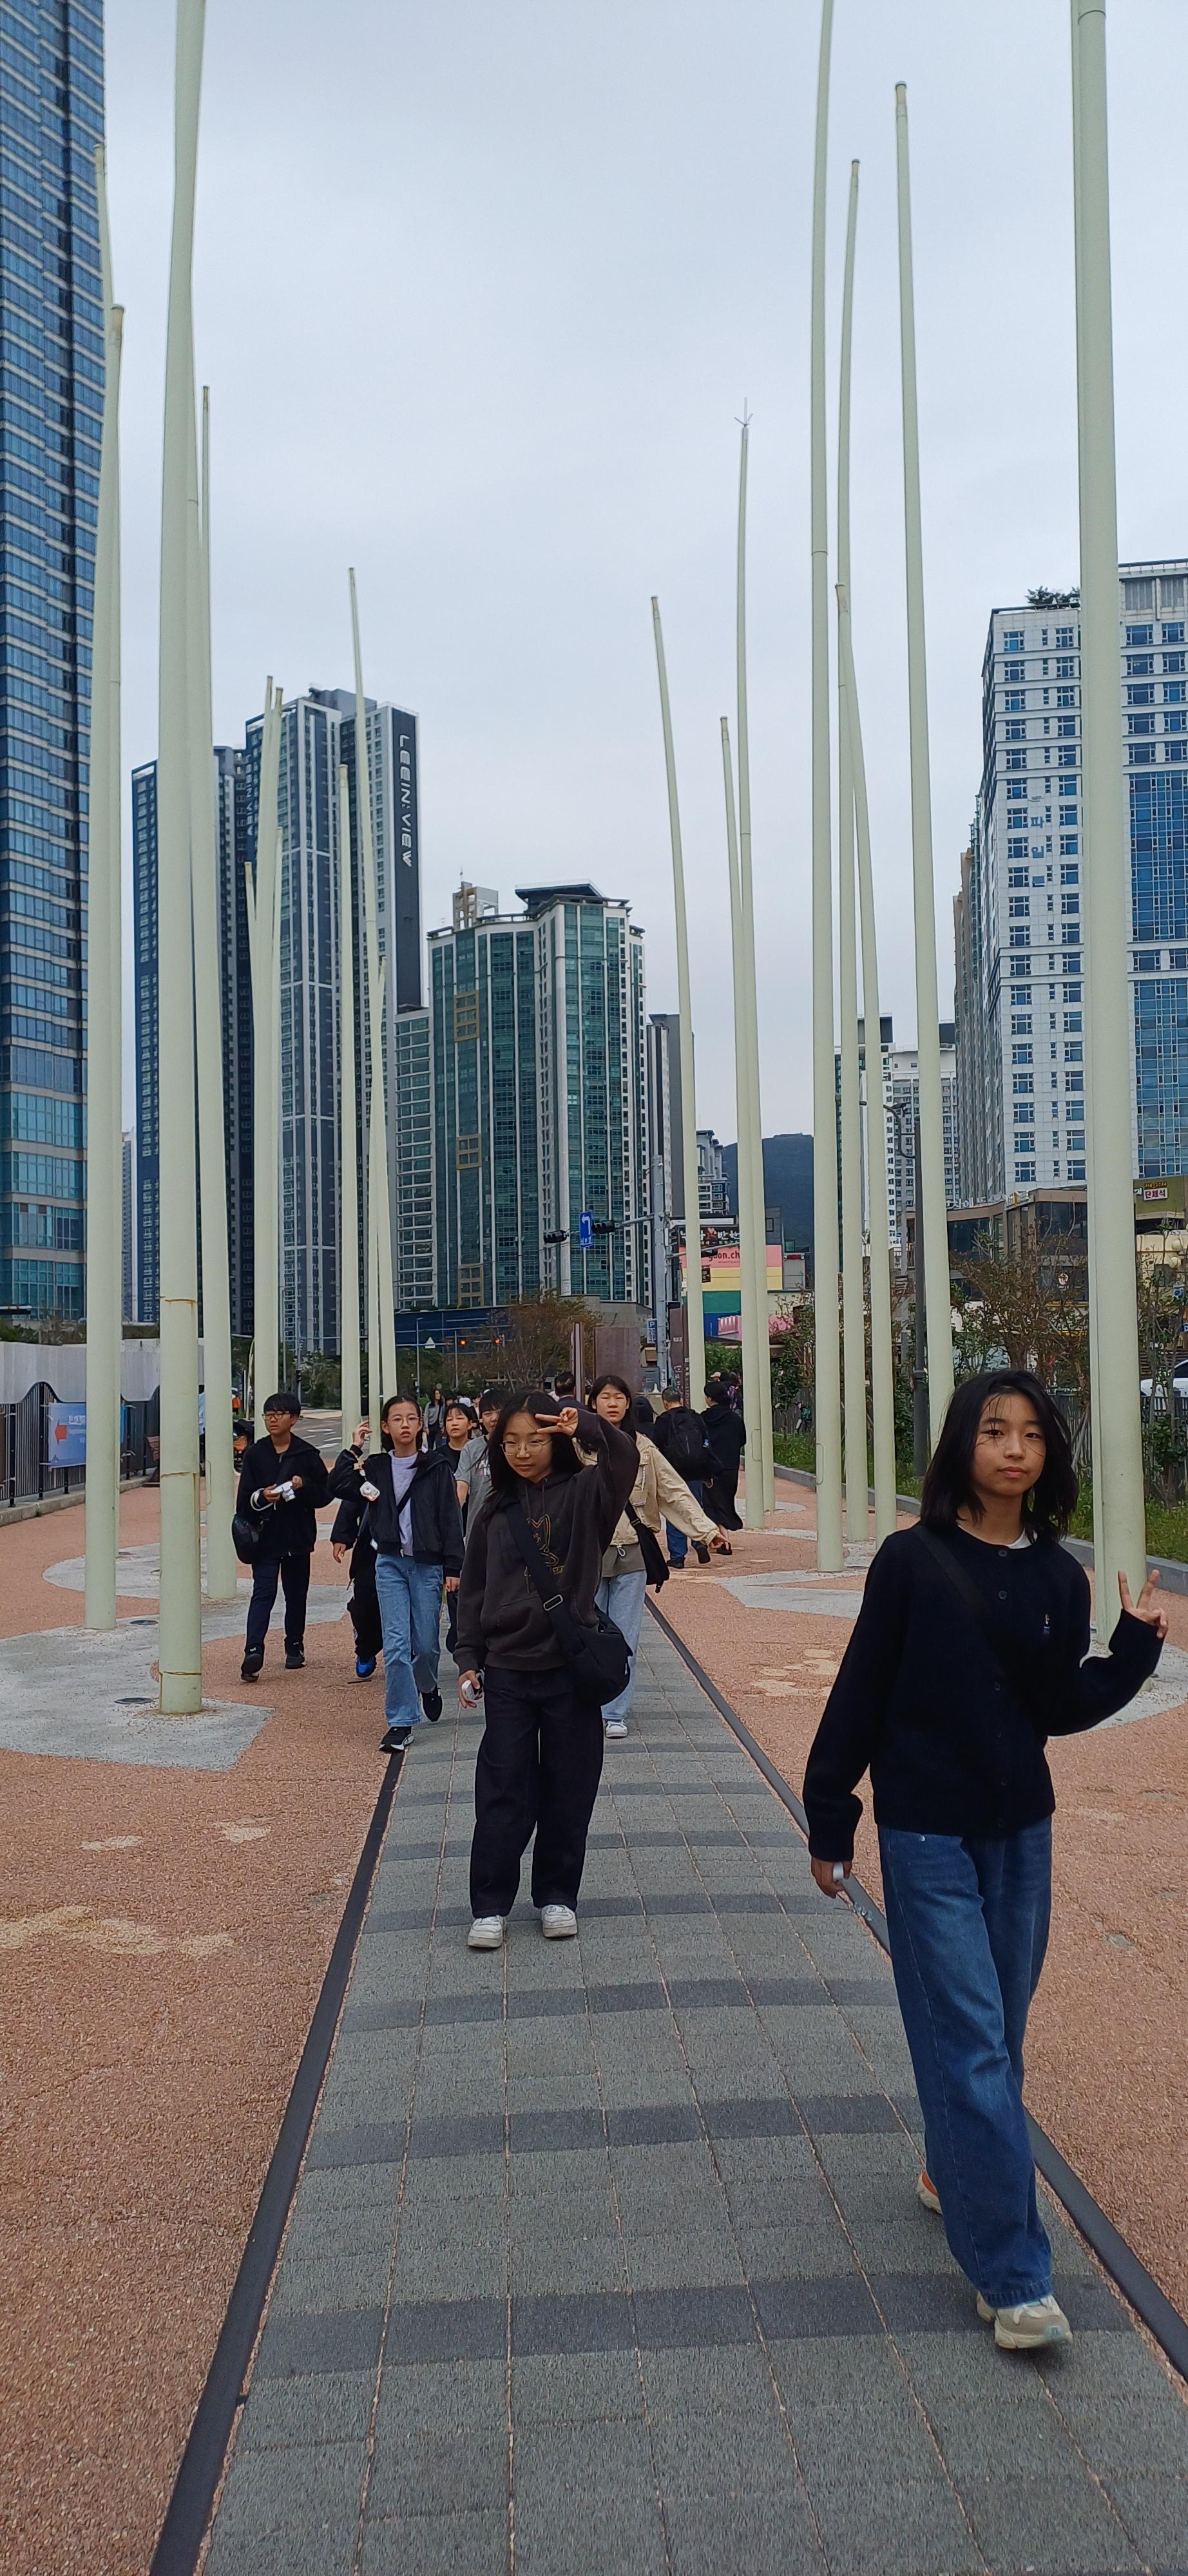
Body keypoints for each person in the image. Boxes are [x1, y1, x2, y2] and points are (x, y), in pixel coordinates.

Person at [803, 1369, 1166, 2354]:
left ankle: (950, 2167)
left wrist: (1132, 1655)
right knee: (972, 2042)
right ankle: (1013, 2277)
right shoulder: (911, 1561)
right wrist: (831, 1816)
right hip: (926, 1832)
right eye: (996, 1430)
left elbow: (1054, 1708)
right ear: (963, 1442)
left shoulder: (1058, 1577)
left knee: (998, 2028)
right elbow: (861, 1689)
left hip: (1020, 1831)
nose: (1015, 1449)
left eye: (1033, 1435)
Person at [454, 1390, 637, 1949]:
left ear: (555, 1441)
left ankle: (558, 1895)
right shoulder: (494, 1510)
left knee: (569, 1785)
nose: (522, 1451)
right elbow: (473, 1588)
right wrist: (468, 1658)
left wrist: (587, 1426)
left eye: (534, 1440)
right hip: (508, 1670)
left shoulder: (586, 1494)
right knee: (503, 1788)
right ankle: (490, 1904)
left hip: (569, 1669)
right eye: (510, 1442)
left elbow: (624, 1459)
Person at [586, 1374, 727, 1739]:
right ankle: (589, 1705)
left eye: (619, 1397)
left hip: (632, 1551)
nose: (613, 1403)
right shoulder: (576, 1447)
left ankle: (615, 1711)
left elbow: (673, 1491)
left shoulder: (643, 1447)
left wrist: (706, 1531)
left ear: (628, 1404)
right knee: (589, 1632)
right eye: (605, 1397)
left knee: (625, 1634)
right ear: (592, 1403)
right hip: (588, 1553)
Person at [356, 1394, 465, 1752]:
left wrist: (454, 1566)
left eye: (411, 1418)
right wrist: (354, 1449)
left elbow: (451, 1518)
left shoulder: (436, 1467)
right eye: (396, 1419)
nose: (404, 1425)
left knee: (426, 1645)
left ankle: (428, 1685)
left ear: (421, 1424)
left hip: (427, 1565)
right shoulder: (375, 1467)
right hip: (389, 1562)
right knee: (397, 1645)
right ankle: (401, 1721)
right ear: (385, 1427)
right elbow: (337, 1487)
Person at [236, 1393, 331, 1680]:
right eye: (268, 1415)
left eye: (279, 1414)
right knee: (263, 1593)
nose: (273, 1420)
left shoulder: (307, 1455)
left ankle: (295, 1645)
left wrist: (304, 1485)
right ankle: (253, 1650)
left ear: (294, 1419)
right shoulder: (256, 1454)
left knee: (296, 1594)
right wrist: (262, 1496)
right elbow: (243, 1502)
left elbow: (325, 1495)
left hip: (297, 1536)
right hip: (265, 1538)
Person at [329, 1417, 383, 1678]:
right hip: (370, 1551)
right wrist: (342, 1535)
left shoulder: (426, 1465)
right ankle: (365, 1649)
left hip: (409, 1552)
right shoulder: (373, 1468)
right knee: (365, 1603)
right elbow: (349, 1494)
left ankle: (408, 1654)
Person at [651, 1385, 713, 1569]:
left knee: (675, 1510)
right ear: (682, 1400)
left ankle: (678, 1556)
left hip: (673, 1472)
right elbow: (706, 1441)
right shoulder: (695, 1417)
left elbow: (656, 1448)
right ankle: (700, 1541)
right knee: (696, 1507)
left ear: (665, 1403)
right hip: (696, 1471)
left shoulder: (663, 1421)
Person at [456, 1387, 506, 1535]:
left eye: (499, 1412)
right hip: (478, 1529)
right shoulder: (471, 1449)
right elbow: (461, 1487)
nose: (494, 1418)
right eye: (488, 1414)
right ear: (481, 1419)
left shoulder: (517, 1447)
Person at [702, 1375, 745, 1538]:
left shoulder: (702, 1419)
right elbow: (742, 1440)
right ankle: (724, 1533)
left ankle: (720, 1535)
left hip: (710, 1467)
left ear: (710, 1398)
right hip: (730, 1466)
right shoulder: (735, 1419)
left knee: (711, 1502)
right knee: (727, 1500)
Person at [423, 1385, 447, 1450]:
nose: (438, 1395)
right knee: (430, 1445)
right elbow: (426, 1416)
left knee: (438, 1444)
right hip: (431, 1426)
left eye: (439, 1394)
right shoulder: (429, 1405)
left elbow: (443, 1415)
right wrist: (426, 1427)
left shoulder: (441, 1405)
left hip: (439, 1426)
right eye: (437, 1394)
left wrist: (443, 1427)